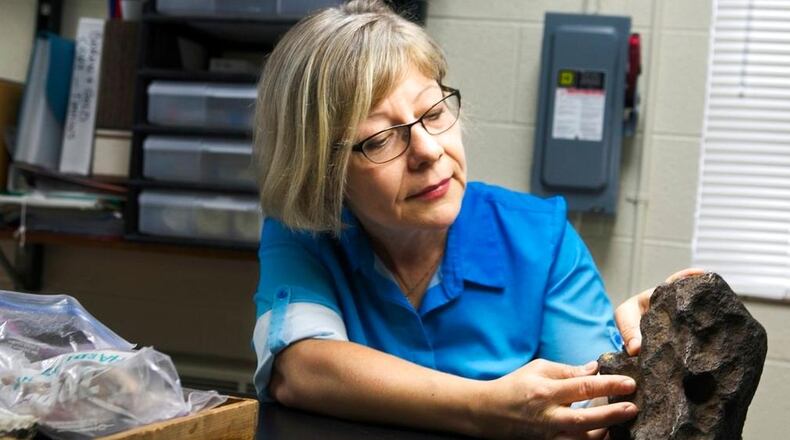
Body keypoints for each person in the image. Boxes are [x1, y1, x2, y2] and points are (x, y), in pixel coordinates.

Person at [251, 1, 701, 438]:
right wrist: (486, 408)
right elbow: (299, 367)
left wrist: (639, 360)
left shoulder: (540, 238)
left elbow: (587, 412)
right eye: (381, 139)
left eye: (433, 112)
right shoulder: (304, 234)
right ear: (321, 171)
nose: (428, 151)